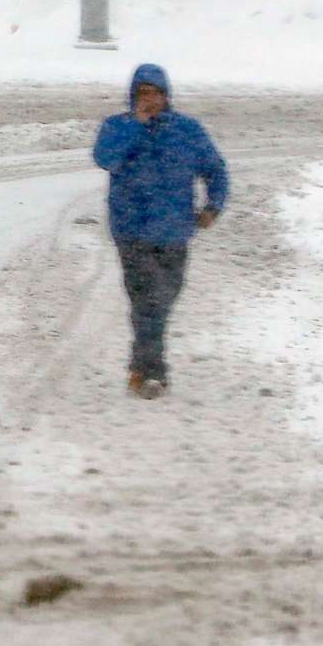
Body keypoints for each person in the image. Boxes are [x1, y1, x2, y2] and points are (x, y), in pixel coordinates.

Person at [91, 62, 228, 400]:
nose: (148, 100)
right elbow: (105, 158)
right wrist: (136, 126)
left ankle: (141, 364)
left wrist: (213, 206)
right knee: (148, 301)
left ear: (167, 96)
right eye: (142, 94)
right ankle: (153, 371)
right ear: (133, 96)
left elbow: (214, 169)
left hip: (174, 232)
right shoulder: (118, 127)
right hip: (131, 231)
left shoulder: (187, 130)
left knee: (163, 300)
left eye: (154, 93)